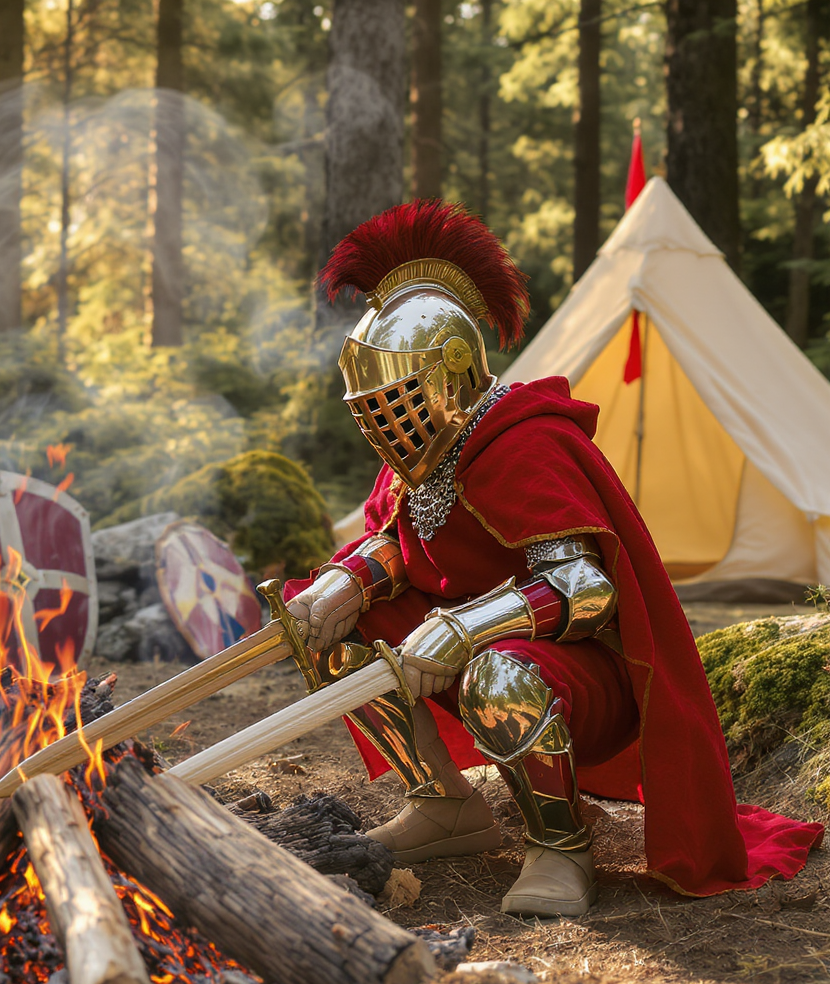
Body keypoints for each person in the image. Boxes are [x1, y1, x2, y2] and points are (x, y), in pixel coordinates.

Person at [284, 200, 823, 917]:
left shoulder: (522, 443)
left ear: (452, 371)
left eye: (398, 398)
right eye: (375, 404)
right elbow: (398, 542)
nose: (384, 419)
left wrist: (466, 628)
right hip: (464, 655)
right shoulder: (417, 459)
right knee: (331, 625)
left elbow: (585, 587)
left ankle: (561, 846)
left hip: (575, 676)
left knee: (495, 671)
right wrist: (343, 583)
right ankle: (444, 805)